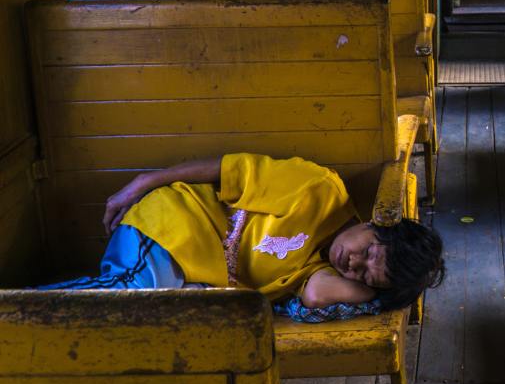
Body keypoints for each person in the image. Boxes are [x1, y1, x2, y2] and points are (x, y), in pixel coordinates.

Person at [37, 153, 444, 322]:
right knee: (119, 296)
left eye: (365, 275)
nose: (353, 263)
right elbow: (227, 169)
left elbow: (317, 298)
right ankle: (16, 319)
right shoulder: (319, 190)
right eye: (368, 251)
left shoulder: (320, 273)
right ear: (375, 225)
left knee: (129, 323)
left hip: (193, 278)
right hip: (175, 223)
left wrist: (386, 290)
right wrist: (144, 182)